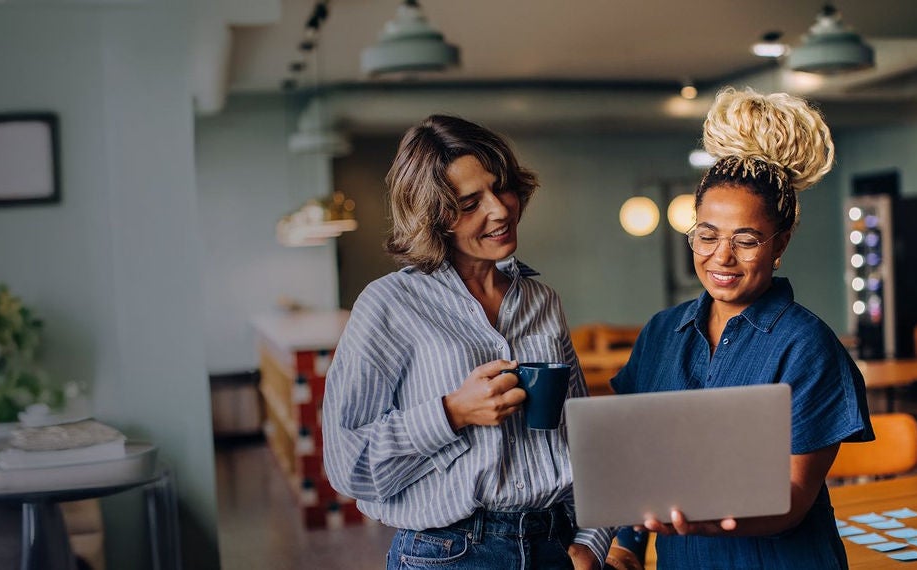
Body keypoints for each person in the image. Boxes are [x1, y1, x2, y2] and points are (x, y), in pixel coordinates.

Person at [322, 114, 612, 570]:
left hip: (553, 545)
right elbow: (349, 465)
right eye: (470, 202)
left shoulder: (542, 301)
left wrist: (592, 542)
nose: (499, 209)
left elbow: (581, 436)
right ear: (433, 215)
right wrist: (452, 412)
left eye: (502, 188)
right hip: (449, 554)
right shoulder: (389, 304)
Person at [608, 88, 874, 569]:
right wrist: (626, 544)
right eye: (706, 236)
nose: (721, 257)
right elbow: (636, 460)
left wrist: (707, 517)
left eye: (746, 240)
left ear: (780, 242)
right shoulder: (660, 334)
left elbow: (794, 499)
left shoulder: (807, 346)